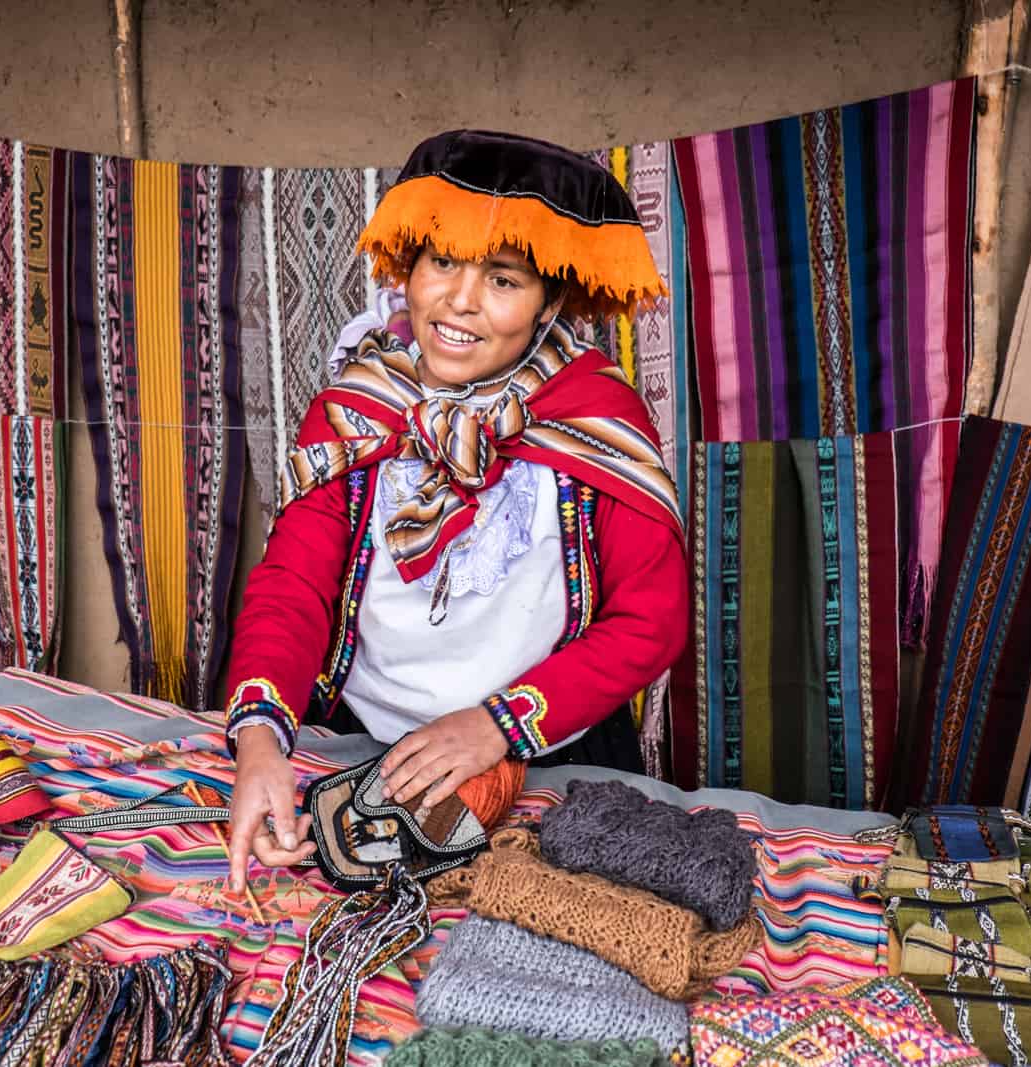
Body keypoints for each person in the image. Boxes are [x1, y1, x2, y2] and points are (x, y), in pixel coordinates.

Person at [224, 129, 687, 892]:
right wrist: (260, 744)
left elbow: (651, 619)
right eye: (443, 262)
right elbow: (293, 585)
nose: (460, 301)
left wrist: (496, 726)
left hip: (551, 759)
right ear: (410, 264)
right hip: (367, 751)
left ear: (552, 300)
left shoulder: (599, 421)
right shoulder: (358, 409)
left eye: (503, 280)